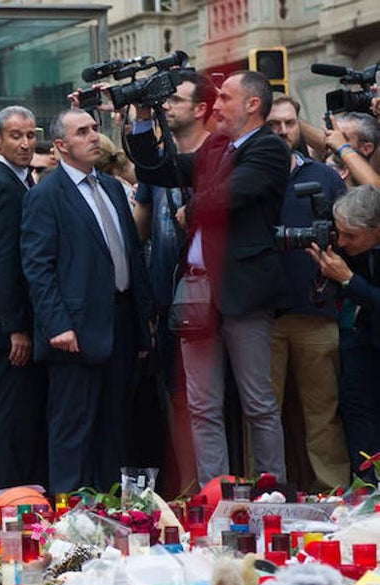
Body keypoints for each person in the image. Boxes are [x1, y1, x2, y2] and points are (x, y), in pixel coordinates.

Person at [126, 70, 291, 486]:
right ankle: (212, 491)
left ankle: (271, 491)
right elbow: (158, 169)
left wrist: (193, 208)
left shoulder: (269, 147)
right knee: (201, 405)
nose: (216, 105)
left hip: (243, 292)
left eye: (226, 98)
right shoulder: (215, 148)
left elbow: (232, 194)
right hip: (198, 293)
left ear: (252, 104)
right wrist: (143, 119)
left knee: (258, 403)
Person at [22, 108, 154, 493]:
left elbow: (131, 253)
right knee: (72, 427)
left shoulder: (112, 188)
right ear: (61, 145)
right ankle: (68, 508)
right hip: (73, 331)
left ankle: (113, 505)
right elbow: (38, 267)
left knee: (116, 425)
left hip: (120, 322)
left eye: (95, 128)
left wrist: (142, 319)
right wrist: (57, 325)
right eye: (82, 131)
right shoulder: (46, 194)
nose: (94, 136)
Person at [131, 72, 212, 495]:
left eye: (176, 99)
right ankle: (188, 490)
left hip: (214, 300)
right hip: (167, 302)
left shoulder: (219, 155)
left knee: (216, 403)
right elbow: (140, 230)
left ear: (201, 108)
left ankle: (222, 487)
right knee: (177, 400)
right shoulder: (158, 164)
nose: (167, 105)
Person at [267, 95, 350, 491]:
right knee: (262, 416)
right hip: (261, 314)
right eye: (273, 125)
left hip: (317, 309)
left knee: (324, 413)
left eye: (289, 123)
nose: (283, 131)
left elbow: (348, 236)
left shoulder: (325, 177)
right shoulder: (246, 175)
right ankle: (261, 495)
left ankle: (333, 496)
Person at [0, 105, 48, 489]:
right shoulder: (1, 184)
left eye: (31, 135)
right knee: (10, 412)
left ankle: (18, 488)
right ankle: (11, 494)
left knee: (18, 410)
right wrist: (16, 327)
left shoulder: (13, 179)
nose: (26, 143)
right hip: (6, 326)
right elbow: (2, 262)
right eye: (16, 136)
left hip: (5, 320)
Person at [307, 185, 380, 479]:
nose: (343, 242)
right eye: (340, 233)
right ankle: (368, 487)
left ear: (376, 230)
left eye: (351, 235)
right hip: (361, 337)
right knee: (357, 410)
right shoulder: (348, 248)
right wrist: (327, 275)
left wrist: (348, 280)